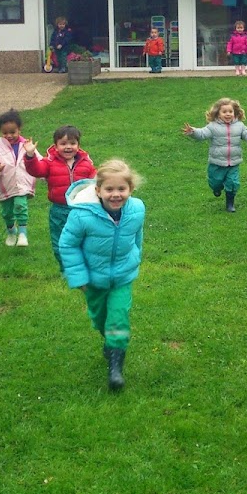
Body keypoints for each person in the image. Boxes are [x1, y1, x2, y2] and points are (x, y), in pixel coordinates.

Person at [58, 160, 145, 392]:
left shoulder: (137, 209)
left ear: (130, 189)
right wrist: (79, 278)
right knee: (100, 318)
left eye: (121, 189)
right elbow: (68, 245)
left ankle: (115, 367)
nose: (116, 194)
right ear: (98, 190)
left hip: (122, 278)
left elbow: (137, 236)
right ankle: (109, 338)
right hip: (94, 280)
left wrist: (136, 257)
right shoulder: (82, 215)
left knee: (118, 316)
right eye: (109, 189)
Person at [23, 125, 97, 273]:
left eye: (72, 143)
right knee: (60, 241)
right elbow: (36, 170)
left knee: (84, 239)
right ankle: (66, 269)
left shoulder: (85, 163)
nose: (68, 147)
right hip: (59, 210)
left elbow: (94, 180)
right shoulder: (49, 162)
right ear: (56, 146)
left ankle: (85, 266)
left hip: (81, 210)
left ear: (78, 145)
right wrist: (30, 156)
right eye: (63, 144)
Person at [182, 97, 247, 213]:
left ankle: (230, 204)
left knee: (233, 183)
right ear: (218, 113)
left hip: (233, 162)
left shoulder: (239, 126)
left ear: (235, 112)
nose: (228, 114)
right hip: (216, 163)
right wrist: (193, 132)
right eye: (224, 112)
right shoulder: (213, 126)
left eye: (230, 111)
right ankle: (216, 188)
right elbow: (202, 134)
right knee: (215, 182)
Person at [0, 109, 36, 247]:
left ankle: (23, 234)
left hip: (22, 185)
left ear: (19, 129)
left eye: (13, 132)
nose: (9, 136)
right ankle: (11, 231)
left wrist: (46, 174)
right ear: (0, 132)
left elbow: (39, 162)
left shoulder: (26, 145)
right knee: (7, 213)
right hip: (5, 186)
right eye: (5, 133)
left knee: (20, 206)